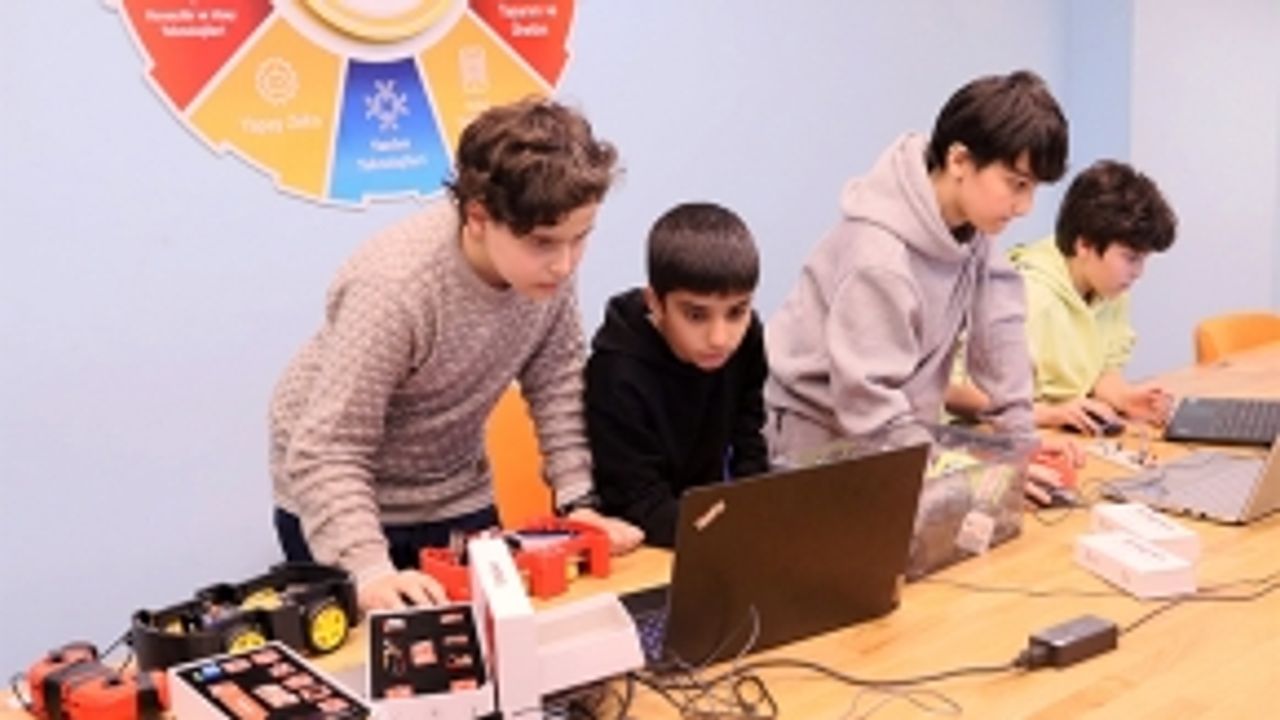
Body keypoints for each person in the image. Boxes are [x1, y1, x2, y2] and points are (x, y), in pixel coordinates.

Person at [269, 98, 643, 612]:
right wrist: (368, 571)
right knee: (385, 648)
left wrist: (578, 501)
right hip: (340, 497)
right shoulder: (394, 288)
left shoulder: (547, 270)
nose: (564, 264)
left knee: (492, 634)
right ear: (478, 217)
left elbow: (556, 377)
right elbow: (328, 449)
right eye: (544, 242)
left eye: (580, 239)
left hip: (454, 488)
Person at [764, 70, 1069, 459]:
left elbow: (999, 332)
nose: (1025, 207)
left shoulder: (975, 230)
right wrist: (949, 472)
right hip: (820, 436)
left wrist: (1021, 445)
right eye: (1017, 184)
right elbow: (868, 400)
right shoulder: (879, 257)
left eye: (1034, 188)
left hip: (897, 437)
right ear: (959, 160)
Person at [585, 202, 768, 547]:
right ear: (655, 303)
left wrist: (758, 516)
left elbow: (748, 444)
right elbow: (635, 500)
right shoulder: (616, 373)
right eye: (696, 315)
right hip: (634, 544)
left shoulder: (748, 340)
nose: (720, 338)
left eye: (736, 312)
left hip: (711, 529)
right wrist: (731, 536)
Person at [946, 160, 1178, 434]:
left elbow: (1101, 369)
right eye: (1131, 258)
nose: (1138, 273)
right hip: (983, 436)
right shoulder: (1025, 293)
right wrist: (1046, 413)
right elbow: (952, 389)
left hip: (1052, 432)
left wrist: (1124, 398)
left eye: (1144, 259)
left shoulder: (1109, 288)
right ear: (1085, 245)